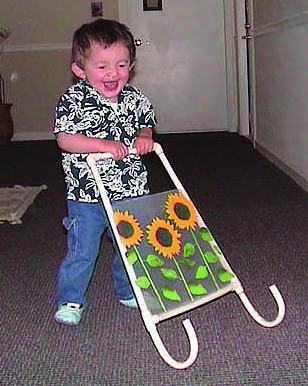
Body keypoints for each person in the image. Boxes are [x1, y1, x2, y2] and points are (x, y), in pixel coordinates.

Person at [53, 18, 157, 326]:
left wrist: (145, 136)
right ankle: (70, 298)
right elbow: (65, 138)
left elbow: (145, 121)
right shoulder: (73, 101)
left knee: (130, 245)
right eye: (102, 67)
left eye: (121, 65)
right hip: (87, 194)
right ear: (80, 70)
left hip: (129, 190)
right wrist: (103, 145)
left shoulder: (135, 98)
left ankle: (128, 290)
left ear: (131, 65)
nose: (113, 74)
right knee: (82, 249)